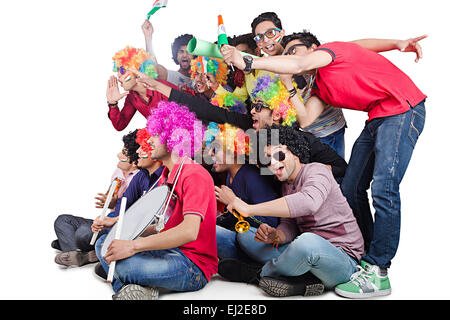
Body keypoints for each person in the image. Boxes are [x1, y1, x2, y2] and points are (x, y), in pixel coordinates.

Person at [220, 34, 427, 298]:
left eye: (298, 50)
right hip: (376, 117)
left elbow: (346, 48)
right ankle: (361, 259)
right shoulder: (320, 88)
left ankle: (378, 270)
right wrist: (289, 86)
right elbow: (305, 120)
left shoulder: (331, 53)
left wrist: (247, 61)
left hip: (401, 108)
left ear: (314, 50)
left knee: (384, 188)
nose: (295, 55)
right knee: (351, 188)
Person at [94, 101, 217, 300]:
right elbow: (161, 225)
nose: (149, 141)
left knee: (122, 263)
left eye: (156, 135)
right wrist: (118, 224)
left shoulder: (195, 175)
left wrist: (133, 246)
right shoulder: (166, 175)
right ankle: (136, 287)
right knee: (104, 243)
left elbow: (189, 231)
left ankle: (126, 283)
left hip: (192, 265)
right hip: (167, 249)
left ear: (174, 138)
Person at [225, 125, 364, 297]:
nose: (273, 163)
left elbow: (309, 202)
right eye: (267, 160)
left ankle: (259, 274)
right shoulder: (287, 186)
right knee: (246, 236)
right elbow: (289, 224)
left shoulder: (316, 170)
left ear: (295, 152)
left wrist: (249, 209)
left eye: (279, 155)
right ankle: (301, 280)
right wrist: (276, 235)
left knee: (307, 243)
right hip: (304, 252)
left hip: (342, 258)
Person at [134, 70, 348, 181]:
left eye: (259, 107)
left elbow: (342, 168)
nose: (252, 110)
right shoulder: (249, 127)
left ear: (277, 113)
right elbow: (204, 109)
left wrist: (303, 171)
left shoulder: (302, 140)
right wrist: (155, 85)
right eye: (253, 105)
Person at [251, 12, 347, 158]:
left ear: (281, 32)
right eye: (260, 37)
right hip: (306, 134)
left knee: (335, 173)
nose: (266, 40)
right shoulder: (270, 67)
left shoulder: (299, 52)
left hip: (328, 130)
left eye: (270, 33)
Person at [52, 130, 140, 267]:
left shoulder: (139, 178)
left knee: (82, 233)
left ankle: (69, 245)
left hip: (118, 225)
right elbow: (111, 200)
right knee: (62, 220)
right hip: (106, 220)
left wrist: (115, 202)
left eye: (123, 153)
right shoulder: (118, 172)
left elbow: (135, 212)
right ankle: (83, 254)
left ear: (135, 162)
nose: (118, 155)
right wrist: (109, 200)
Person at [92, 128, 163, 279]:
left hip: (151, 234)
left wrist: (115, 222)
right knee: (100, 240)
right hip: (131, 228)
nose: (137, 152)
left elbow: (158, 224)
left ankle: (114, 271)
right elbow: (123, 208)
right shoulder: (141, 176)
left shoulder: (165, 178)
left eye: (143, 148)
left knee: (101, 242)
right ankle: (115, 268)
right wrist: (111, 220)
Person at [204, 122, 279, 262]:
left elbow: (271, 223)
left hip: (255, 244)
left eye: (215, 149)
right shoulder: (230, 176)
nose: (210, 155)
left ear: (232, 150)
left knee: (207, 231)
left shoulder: (252, 176)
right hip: (237, 239)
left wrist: (233, 202)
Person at [106, 46, 179, 131]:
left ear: (137, 70)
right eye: (117, 70)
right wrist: (112, 103)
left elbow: (191, 108)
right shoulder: (132, 97)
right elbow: (120, 125)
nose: (118, 75)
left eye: (122, 70)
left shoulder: (161, 87)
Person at [142, 19, 194, 89]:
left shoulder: (201, 79)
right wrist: (148, 37)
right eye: (181, 51)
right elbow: (154, 68)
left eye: (189, 52)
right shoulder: (172, 76)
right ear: (176, 55)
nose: (184, 55)